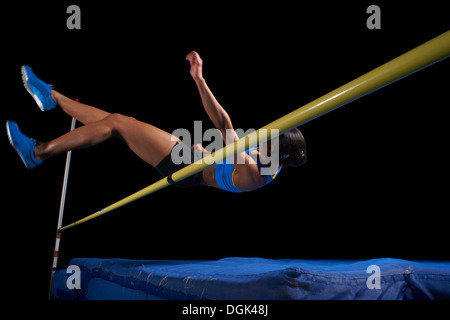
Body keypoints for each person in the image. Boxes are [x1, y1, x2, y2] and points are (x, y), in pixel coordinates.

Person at [6, 51, 307, 193]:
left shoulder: (257, 173)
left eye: (268, 141)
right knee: (118, 121)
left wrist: (199, 79)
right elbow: (227, 144)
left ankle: (37, 153)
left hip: (185, 167)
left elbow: (225, 127)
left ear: (274, 153)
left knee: (117, 125)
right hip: (189, 157)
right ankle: (52, 97)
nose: (261, 138)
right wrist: (209, 151)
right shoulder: (272, 161)